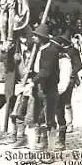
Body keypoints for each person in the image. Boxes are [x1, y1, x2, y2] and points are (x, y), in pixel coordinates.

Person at [26, 23, 60, 151]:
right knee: (37, 117)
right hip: (38, 88)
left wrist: (32, 81)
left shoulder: (51, 51)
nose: (34, 38)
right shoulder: (38, 50)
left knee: (49, 119)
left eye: (36, 36)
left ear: (42, 38)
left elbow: (46, 71)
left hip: (49, 88)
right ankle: (38, 144)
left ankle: (51, 148)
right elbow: (36, 68)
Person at [50, 30, 82, 149]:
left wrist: (72, 74)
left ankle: (67, 128)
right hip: (53, 87)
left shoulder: (71, 52)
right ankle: (50, 139)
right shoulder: (51, 55)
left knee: (64, 106)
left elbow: (79, 65)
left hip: (68, 81)